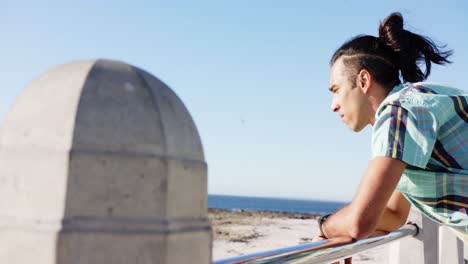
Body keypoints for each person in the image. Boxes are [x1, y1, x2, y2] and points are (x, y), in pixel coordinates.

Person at [313, 11, 468, 250]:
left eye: (335, 89)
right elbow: (394, 214)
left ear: (363, 81)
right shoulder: (416, 104)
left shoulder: (399, 112)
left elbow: (359, 222)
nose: (333, 105)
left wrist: (325, 227)